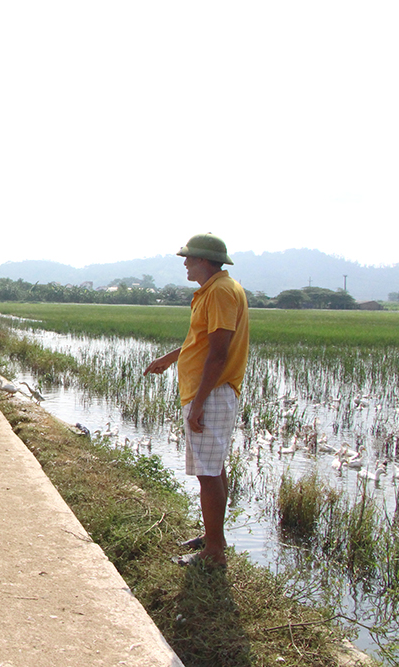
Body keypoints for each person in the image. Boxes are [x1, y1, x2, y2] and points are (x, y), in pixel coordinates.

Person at [144, 233, 249, 568]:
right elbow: (201, 340)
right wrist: (172, 357)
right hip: (209, 392)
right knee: (213, 468)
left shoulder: (219, 292)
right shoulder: (213, 291)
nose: (185, 263)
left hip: (213, 393)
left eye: (189, 258)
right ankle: (213, 536)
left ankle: (214, 553)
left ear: (204, 260)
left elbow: (218, 353)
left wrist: (200, 402)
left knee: (207, 473)